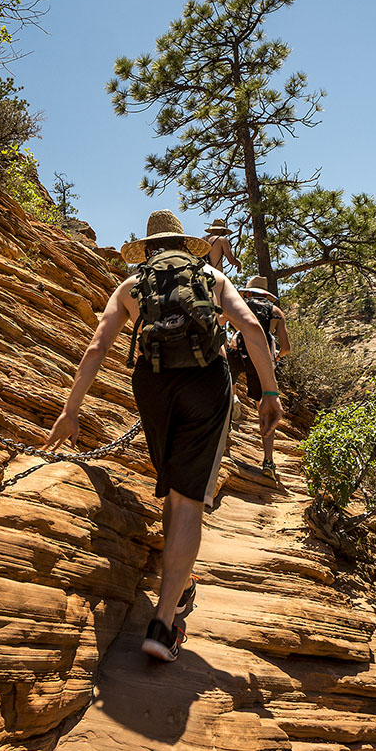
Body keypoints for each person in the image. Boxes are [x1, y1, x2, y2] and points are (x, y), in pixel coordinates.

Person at [46, 210, 281, 663]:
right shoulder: (209, 275)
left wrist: (69, 412)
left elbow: (98, 346)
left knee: (173, 490)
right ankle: (163, 622)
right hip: (204, 384)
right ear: (184, 245)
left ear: (149, 250)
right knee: (188, 497)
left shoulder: (130, 288)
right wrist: (269, 392)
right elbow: (251, 328)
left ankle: (180, 589)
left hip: (151, 386)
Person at [227, 276, 291, 483]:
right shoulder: (276, 312)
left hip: (236, 353)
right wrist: (275, 358)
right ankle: (268, 462)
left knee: (226, 389)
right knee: (263, 408)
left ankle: (225, 428)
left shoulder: (240, 304)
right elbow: (287, 348)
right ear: (266, 294)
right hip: (261, 357)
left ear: (248, 292)